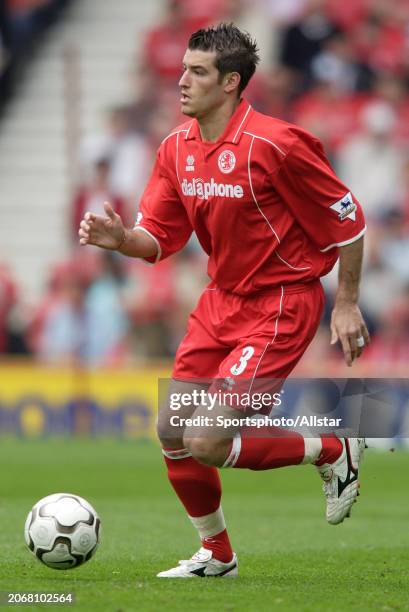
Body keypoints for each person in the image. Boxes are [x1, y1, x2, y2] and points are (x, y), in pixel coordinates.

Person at [78, 23, 370, 578]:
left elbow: (347, 221)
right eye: (183, 68)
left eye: (198, 72)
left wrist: (348, 302)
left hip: (281, 304)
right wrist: (120, 241)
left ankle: (332, 449)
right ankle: (217, 555)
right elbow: (158, 239)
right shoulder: (176, 148)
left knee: (208, 439)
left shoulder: (277, 144)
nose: (182, 81)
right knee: (172, 431)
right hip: (220, 301)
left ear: (231, 82)